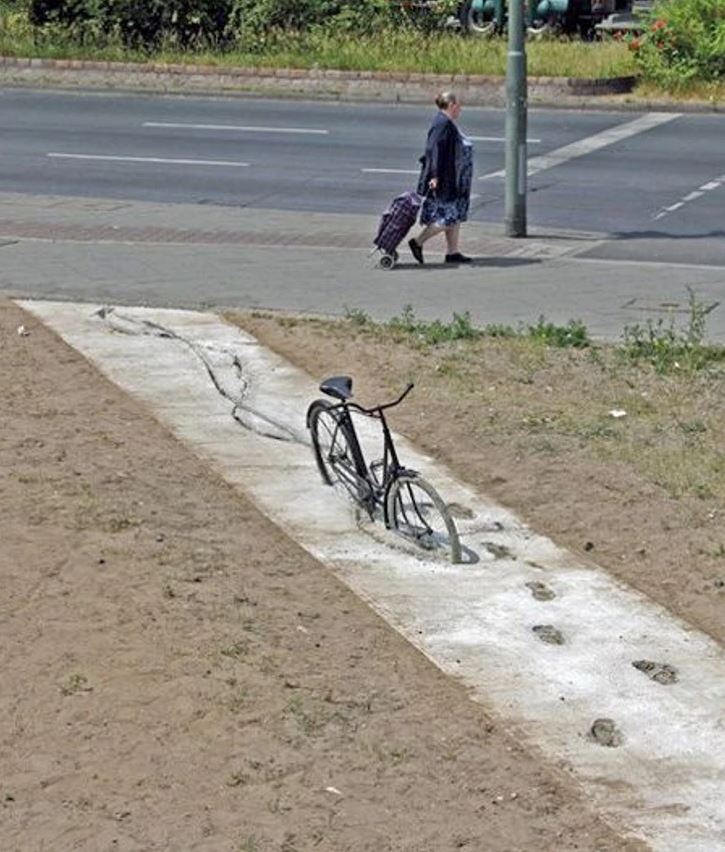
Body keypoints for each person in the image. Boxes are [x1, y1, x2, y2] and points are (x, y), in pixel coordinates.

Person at [409, 91, 474, 265]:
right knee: (449, 217)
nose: (460, 109)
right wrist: (434, 175)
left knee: (456, 215)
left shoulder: (447, 122)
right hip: (443, 179)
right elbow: (433, 150)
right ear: (452, 106)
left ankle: (452, 252)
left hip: (451, 177)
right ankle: (417, 242)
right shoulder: (442, 123)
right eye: (459, 105)